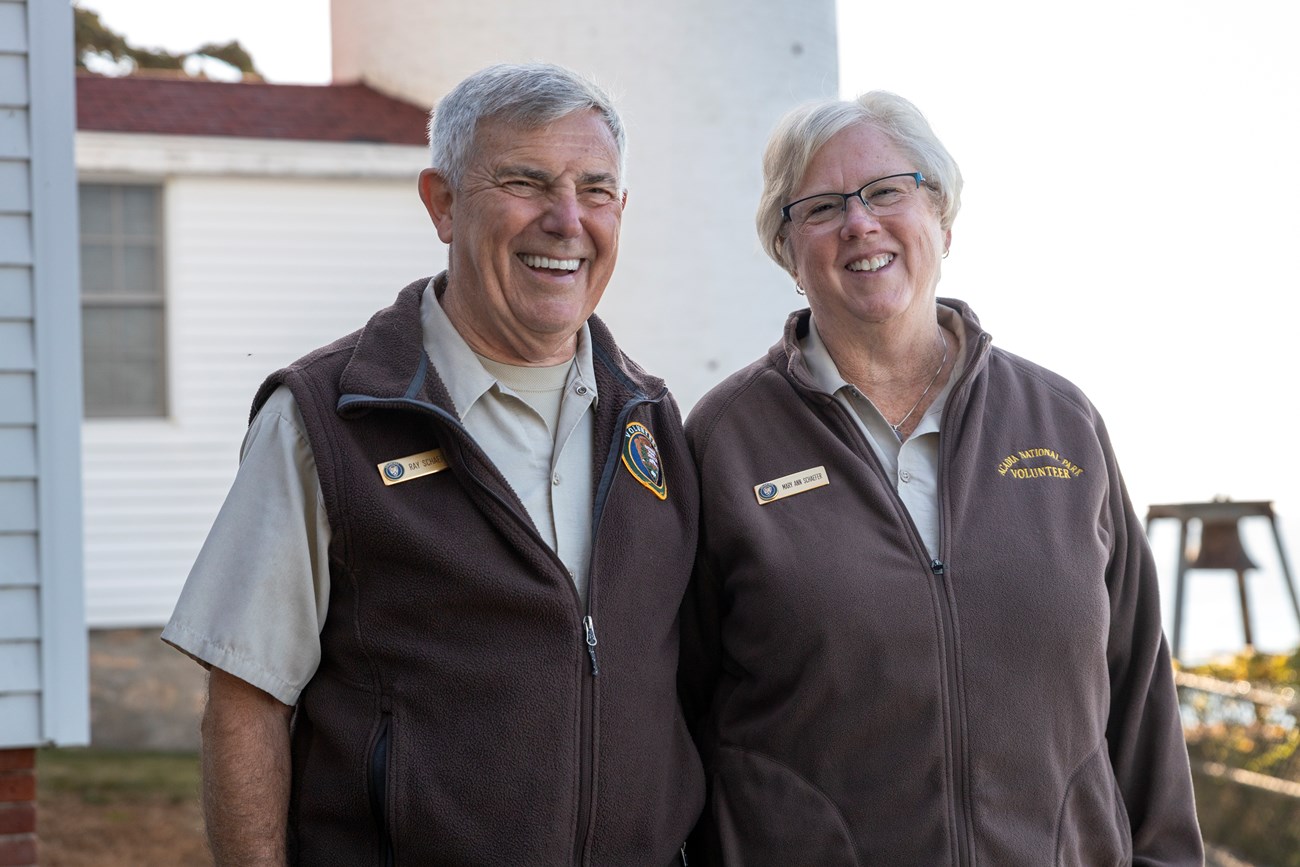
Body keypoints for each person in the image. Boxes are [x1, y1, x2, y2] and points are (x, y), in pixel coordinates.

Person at [163, 62, 702, 866]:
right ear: (442, 203)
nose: (566, 219)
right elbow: (247, 701)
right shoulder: (326, 418)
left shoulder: (651, 421)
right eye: (525, 181)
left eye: (596, 190)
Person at [679, 91, 1202, 865]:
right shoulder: (725, 443)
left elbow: (1141, 703)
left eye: (889, 191)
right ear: (787, 252)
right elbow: (677, 720)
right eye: (821, 206)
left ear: (944, 219)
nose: (861, 222)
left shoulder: (1062, 423)